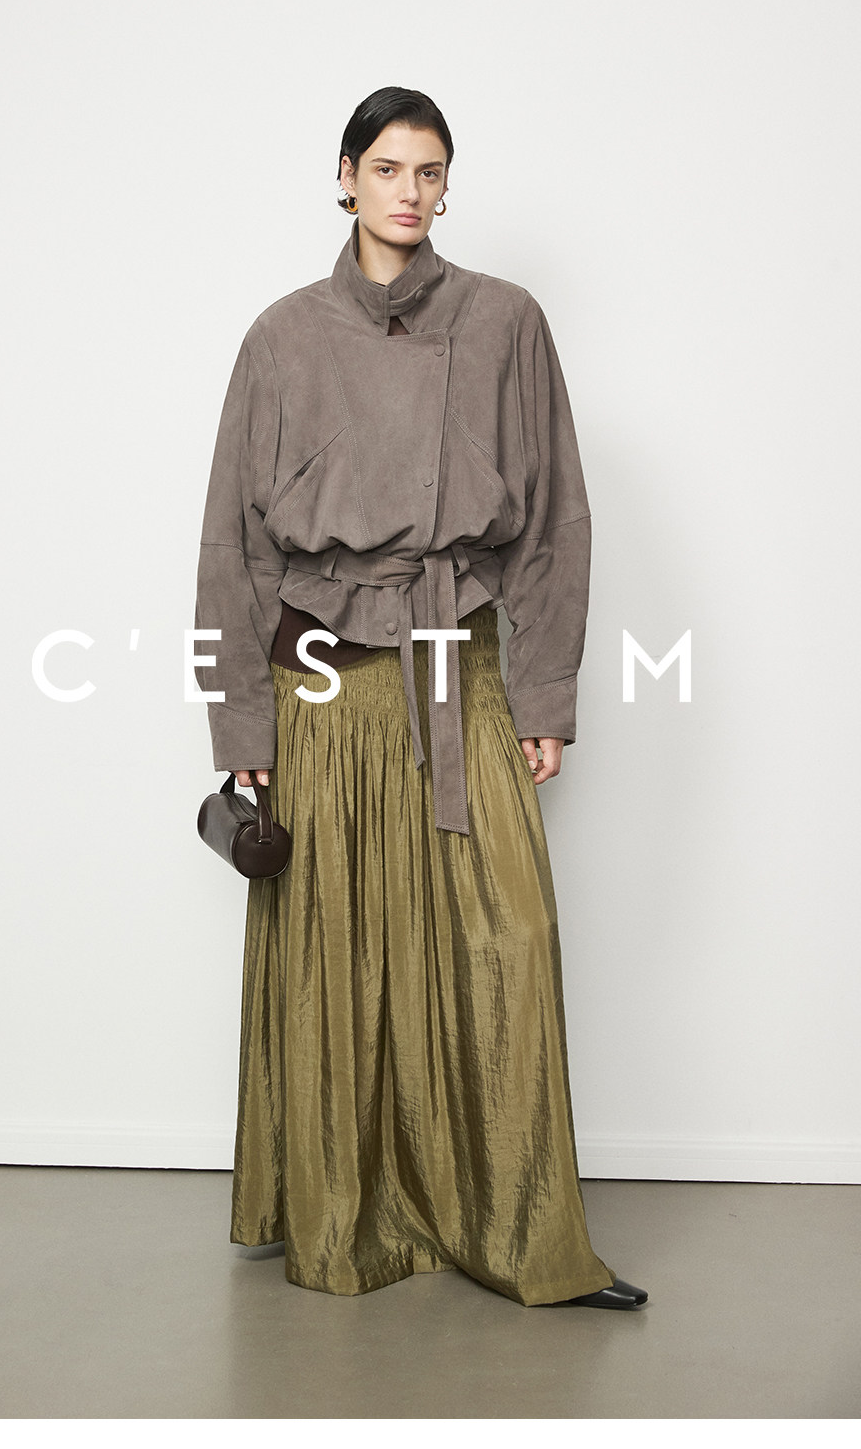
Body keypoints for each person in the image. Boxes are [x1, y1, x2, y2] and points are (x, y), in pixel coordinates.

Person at [194, 86, 647, 1310]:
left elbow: (555, 521)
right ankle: (344, 1216)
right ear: (344, 176)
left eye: (429, 171)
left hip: (461, 661)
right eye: (386, 167)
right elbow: (232, 542)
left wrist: (542, 697)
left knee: (508, 935)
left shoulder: (505, 322)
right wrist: (240, 721)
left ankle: (521, 1231)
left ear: (448, 188)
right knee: (338, 955)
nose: (408, 190)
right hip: (322, 679)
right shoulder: (281, 337)